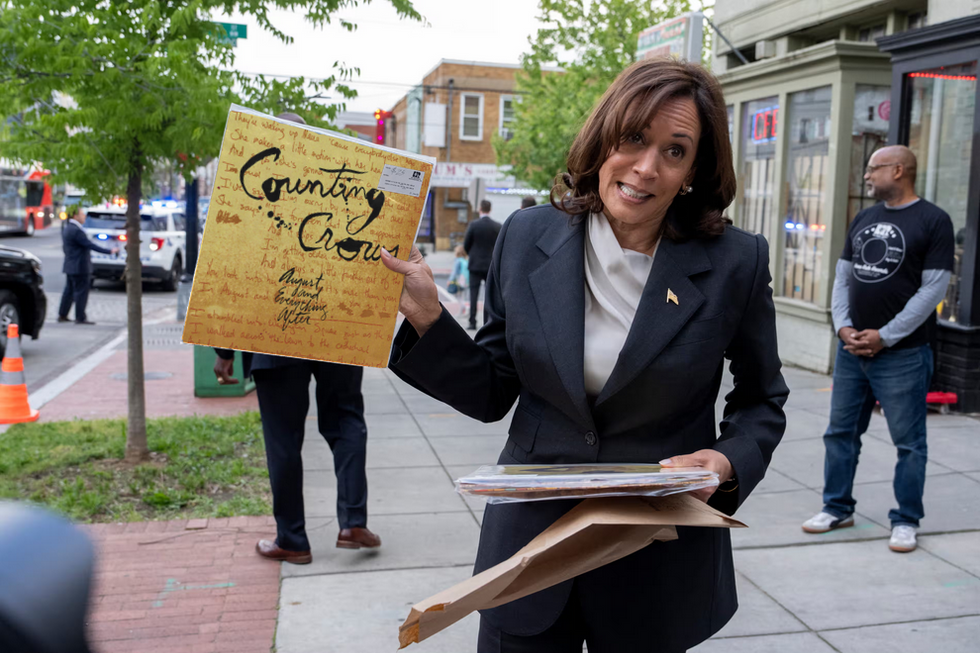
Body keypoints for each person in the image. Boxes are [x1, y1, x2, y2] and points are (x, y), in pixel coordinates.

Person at [381, 58, 788, 652]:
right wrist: (427, 318)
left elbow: (762, 400)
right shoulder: (526, 236)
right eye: (633, 139)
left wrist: (724, 462)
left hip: (654, 562)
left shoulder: (736, 263)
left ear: (694, 169)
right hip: (528, 556)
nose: (646, 168)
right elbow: (494, 389)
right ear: (604, 139)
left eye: (674, 151)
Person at [213, 111, 380, 566]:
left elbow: (232, 274)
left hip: (273, 333)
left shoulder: (251, 195)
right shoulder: (341, 192)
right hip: (335, 330)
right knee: (346, 420)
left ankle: (293, 539)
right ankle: (351, 520)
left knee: (283, 438)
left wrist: (224, 350)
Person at [802, 146, 954, 554]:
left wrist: (885, 335)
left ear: (899, 170)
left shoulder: (934, 220)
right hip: (852, 352)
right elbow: (842, 277)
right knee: (840, 435)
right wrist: (843, 326)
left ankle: (906, 520)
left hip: (902, 355)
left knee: (909, 443)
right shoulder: (865, 218)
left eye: (874, 168)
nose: (867, 175)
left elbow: (933, 289)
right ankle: (836, 507)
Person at [58, 206, 117, 325]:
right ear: (75, 216)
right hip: (80, 267)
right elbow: (90, 245)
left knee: (68, 291)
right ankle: (80, 317)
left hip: (70, 265)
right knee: (81, 292)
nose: (84, 216)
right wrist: (109, 251)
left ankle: (62, 314)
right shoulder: (77, 231)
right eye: (82, 214)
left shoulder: (68, 228)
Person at [463, 199, 501, 330]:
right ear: (490, 209)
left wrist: (471, 255)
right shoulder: (497, 226)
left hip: (475, 264)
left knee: (473, 293)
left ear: (480, 209)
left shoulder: (474, 225)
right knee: (489, 295)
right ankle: (487, 322)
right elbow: (499, 246)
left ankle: (472, 321)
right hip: (490, 265)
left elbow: (466, 244)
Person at [449, 244, 469, 316]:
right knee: (463, 295)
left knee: (458, 296)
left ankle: (465, 308)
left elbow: (454, 272)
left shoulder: (457, 260)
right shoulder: (465, 259)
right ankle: (462, 311)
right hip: (465, 280)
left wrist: (450, 280)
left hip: (458, 280)